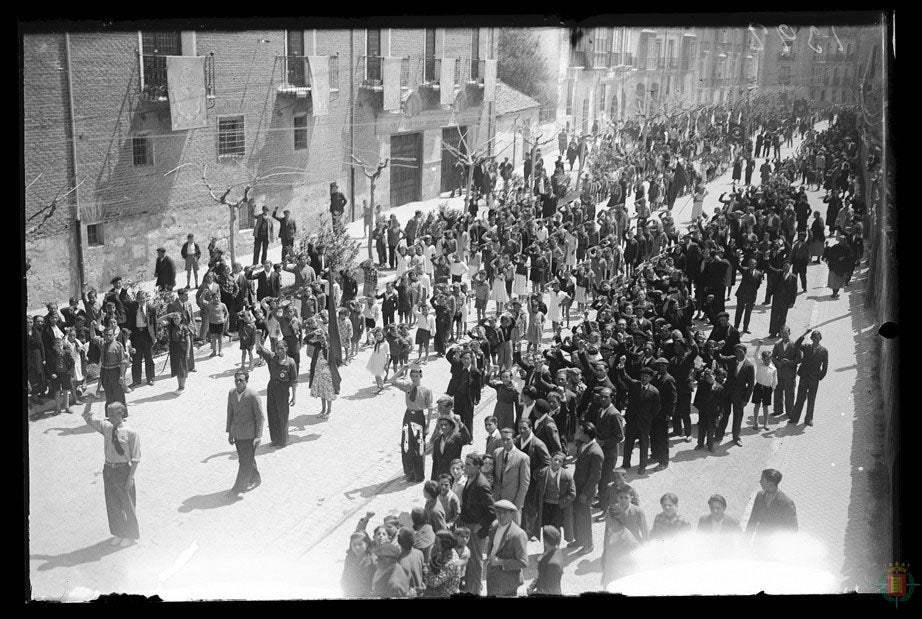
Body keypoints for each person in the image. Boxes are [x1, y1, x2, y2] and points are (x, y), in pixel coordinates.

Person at [81, 394, 140, 547]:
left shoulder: (131, 433)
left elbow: (136, 458)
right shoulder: (106, 428)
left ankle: (131, 535)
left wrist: (130, 478)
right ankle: (120, 533)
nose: (110, 418)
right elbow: (88, 418)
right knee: (113, 503)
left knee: (127, 503)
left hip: (123, 471)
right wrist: (89, 401)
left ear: (121, 413)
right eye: (109, 415)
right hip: (108, 469)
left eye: (113, 415)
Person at [457, 453, 496, 595]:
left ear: (477, 467)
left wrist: (478, 526)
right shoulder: (470, 478)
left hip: (476, 530)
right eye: (465, 463)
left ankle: (476, 590)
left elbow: (492, 512)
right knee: (469, 559)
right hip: (467, 526)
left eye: (468, 465)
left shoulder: (481, 485)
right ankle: (471, 587)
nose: (464, 467)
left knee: (475, 561)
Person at [615, 362, 660, 475]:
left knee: (644, 445)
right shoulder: (635, 385)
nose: (644, 378)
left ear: (650, 378)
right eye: (643, 376)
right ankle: (626, 464)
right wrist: (621, 367)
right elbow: (626, 378)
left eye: (647, 377)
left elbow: (656, 409)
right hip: (632, 421)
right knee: (628, 443)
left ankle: (642, 466)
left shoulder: (654, 392)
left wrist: (648, 418)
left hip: (645, 423)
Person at [225, 370, 264, 500]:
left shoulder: (253, 395)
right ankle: (256, 478)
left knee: (244, 462)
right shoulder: (231, 393)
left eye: (241, 380)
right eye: (236, 380)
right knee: (246, 459)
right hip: (237, 433)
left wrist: (258, 436)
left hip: (249, 434)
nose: (238, 382)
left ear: (247, 381)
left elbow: (260, 417)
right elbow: (230, 413)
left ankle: (237, 489)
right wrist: (230, 432)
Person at [254, 332, 298, 447]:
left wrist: (294, 396)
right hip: (272, 385)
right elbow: (259, 348)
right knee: (272, 413)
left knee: (282, 414)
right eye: (277, 349)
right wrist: (258, 336)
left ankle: (283, 441)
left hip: (283, 389)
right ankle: (275, 439)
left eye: (281, 349)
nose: (278, 351)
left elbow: (294, 380)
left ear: (286, 349)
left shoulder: (291, 362)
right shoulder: (272, 357)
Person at [393, 365, 433, 483]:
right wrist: (402, 369)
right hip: (408, 417)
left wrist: (428, 426)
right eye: (412, 376)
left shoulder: (426, 390)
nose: (414, 378)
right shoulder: (407, 386)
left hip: (419, 418)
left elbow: (430, 408)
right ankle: (409, 472)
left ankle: (419, 475)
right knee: (406, 445)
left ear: (421, 376)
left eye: (417, 376)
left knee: (419, 447)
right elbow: (392, 381)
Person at [485, 499, 529, 597]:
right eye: (499, 513)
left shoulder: (518, 534)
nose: (501, 516)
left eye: (505, 513)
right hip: (492, 578)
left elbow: (524, 562)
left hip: (507, 584)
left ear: (512, 514)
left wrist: (501, 562)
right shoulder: (494, 525)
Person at [572, 421, 603, 554]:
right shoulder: (584, 445)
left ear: (586, 434)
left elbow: (595, 477)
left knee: (584, 517)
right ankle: (579, 539)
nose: (578, 434)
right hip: (577, 486)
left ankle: (588, 544)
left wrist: (585, 494)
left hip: (585, 491)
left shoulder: (595, 452)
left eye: (580, 432)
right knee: (577, 515)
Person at [600, 487, 641, 589]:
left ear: (616, 520)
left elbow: (636, 567)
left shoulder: (630, 541)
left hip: (621, 581)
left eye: (608, 518)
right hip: (610, 577)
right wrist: (605, 573)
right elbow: (607, 553)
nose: (606, 521)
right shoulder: (611, 532)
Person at [715, 344, 755, 447]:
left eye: (740, 352)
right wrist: (717, 349)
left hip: (740, 397)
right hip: (727, 394)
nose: (738, 354)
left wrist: (746, 399)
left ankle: (736, 437)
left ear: (745, 353)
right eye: (736, 352)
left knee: (737, 417)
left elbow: (751, 385)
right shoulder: (731, 359)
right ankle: (719, 435)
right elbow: (719, 357)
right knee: (724, 415)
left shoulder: (749, 366)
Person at [534, 450, 576, 545]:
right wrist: (537, 505)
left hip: (558, 508)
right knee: (545, 528)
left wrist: (561, 502)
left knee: (556, 529)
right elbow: (538, 490)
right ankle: (546, 550)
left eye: (560, 461)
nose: (557, 462)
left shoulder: (566, 476)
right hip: (545, 506)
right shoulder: (543, 473)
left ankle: (555, 550)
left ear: (562, 464)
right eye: (555, 459)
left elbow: (572, 493)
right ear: (550, 459)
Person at [788, 329, 828, 427]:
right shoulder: (806, 347)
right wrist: (804, 334)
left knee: (811, 399)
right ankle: (794, 418)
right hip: (804, 377)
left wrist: (819, 377)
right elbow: (796, 344)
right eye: (814, 338)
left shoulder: (823, 351)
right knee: (800, 398)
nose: (816, 340)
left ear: (820, 339)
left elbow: (825, 366)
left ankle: (808, 419)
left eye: (818, 339)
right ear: (811, 339)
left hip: (814, 379)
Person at [492, 428, 531, 525]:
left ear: (514, 440)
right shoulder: (497, 453)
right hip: (497, 500)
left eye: (508, 439)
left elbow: (524, 484)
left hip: (512, 502)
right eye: (503, 439)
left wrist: (517, 505)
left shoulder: (523, 458)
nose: (505, 442)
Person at [746, 468, 798, 537]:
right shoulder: (759, 496)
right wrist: (746, 539)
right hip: (758, 541)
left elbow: (793, 528)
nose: (760, 481)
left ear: (770, 484)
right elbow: (753, 520)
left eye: (762, 480)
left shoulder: (787, 503)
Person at [125, 290, 157, 388]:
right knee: (136, 358)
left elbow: (154, 323)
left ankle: (150, 378)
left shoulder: (151, 308)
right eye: (139, 298)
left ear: (146, 298)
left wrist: (154, 337)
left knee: (149, 357)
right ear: (137, 299)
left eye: (143, 298)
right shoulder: (133, 308)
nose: (142, 300)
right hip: (136, 334)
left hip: (147, 334)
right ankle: (136, 380)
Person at [423, 530, 463, 597]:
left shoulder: (451, 563)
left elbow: (433, 582)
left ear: (445, 545)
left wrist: (426, 568)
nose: (434, 545)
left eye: (436, 543)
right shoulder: (446, 552)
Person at [528, 525, 564, 596]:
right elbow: (543, 574)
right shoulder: (555, 551)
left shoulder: (553, 564)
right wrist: (533, 585)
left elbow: (551, 590)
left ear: (545, 542)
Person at [342, 531, 377, 598]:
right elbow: (344, 578)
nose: (357, 547)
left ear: (367, 544)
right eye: (354, 544)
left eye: (360, 544)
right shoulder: (349, 557)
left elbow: (376, 586)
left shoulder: (373, 561)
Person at [768, 260, 798, 338]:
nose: (785, 268)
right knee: (774, 316)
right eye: (784, 266)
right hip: (777, 299)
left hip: (786, 300)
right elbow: (770, 268)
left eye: (787, 266)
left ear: (790, 267)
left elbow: (794, 290)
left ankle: (781, 333)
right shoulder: (779, 273)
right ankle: (773, 333)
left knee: (783, 317)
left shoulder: (793, 277)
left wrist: (792, 302)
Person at [751, 350, 777, 430]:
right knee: (757, 405)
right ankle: (755, 422)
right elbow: (755, 354)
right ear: (762, 359)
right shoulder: (759, 364)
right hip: (758, 387)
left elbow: (775, 381)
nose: (767, 361)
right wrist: (759, 346)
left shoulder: (773, 368)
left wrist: (772, 388)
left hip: (767, 389)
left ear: (771, 358)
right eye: (765, 359)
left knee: (765, 407)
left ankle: (766, 423)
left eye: (769, 359)